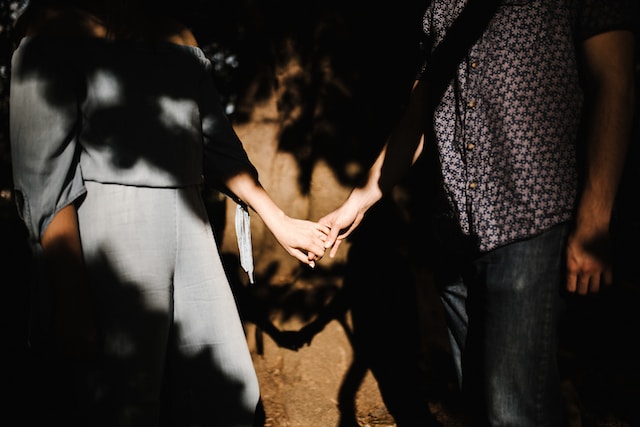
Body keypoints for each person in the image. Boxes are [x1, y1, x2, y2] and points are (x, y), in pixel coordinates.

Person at [9, 0, 329, 426]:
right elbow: (44, 175)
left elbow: (219, 148)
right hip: (106, 228)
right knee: (124, 400)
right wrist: (70, 294)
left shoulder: (179, 34)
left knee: (229, 395)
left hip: (192, 228)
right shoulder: (53, 23)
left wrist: (280, 221)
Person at [319, 0, 637, 425]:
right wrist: (355, 203)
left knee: (515, 412)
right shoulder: (437, 6)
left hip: (530, 221)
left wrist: (595, 223)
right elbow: (417, 115)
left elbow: (615, 82)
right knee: (478, 405)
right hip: (454, 234)